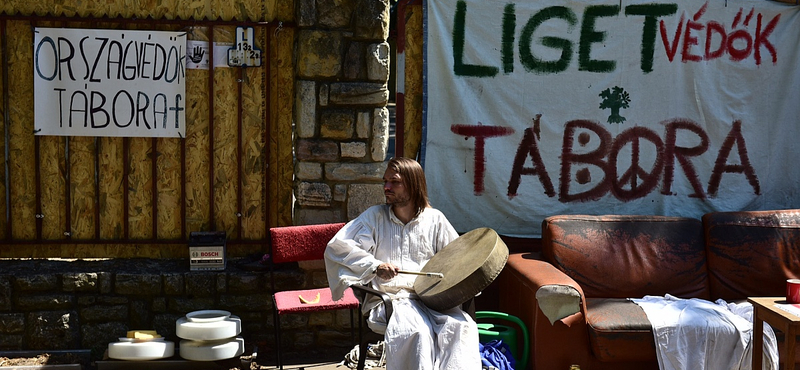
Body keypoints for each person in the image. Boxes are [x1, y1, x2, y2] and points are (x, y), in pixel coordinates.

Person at [324, 157, 480, 370]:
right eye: (385, 181)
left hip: (433, 300)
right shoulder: (374, 217)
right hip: (392, 300)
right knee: (417, 333)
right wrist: (374, 266)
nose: (386, 187)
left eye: (394, 182)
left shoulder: (435, 220)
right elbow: (338, 247)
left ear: (414, 185)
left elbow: (457, 260)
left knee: (461, 328)